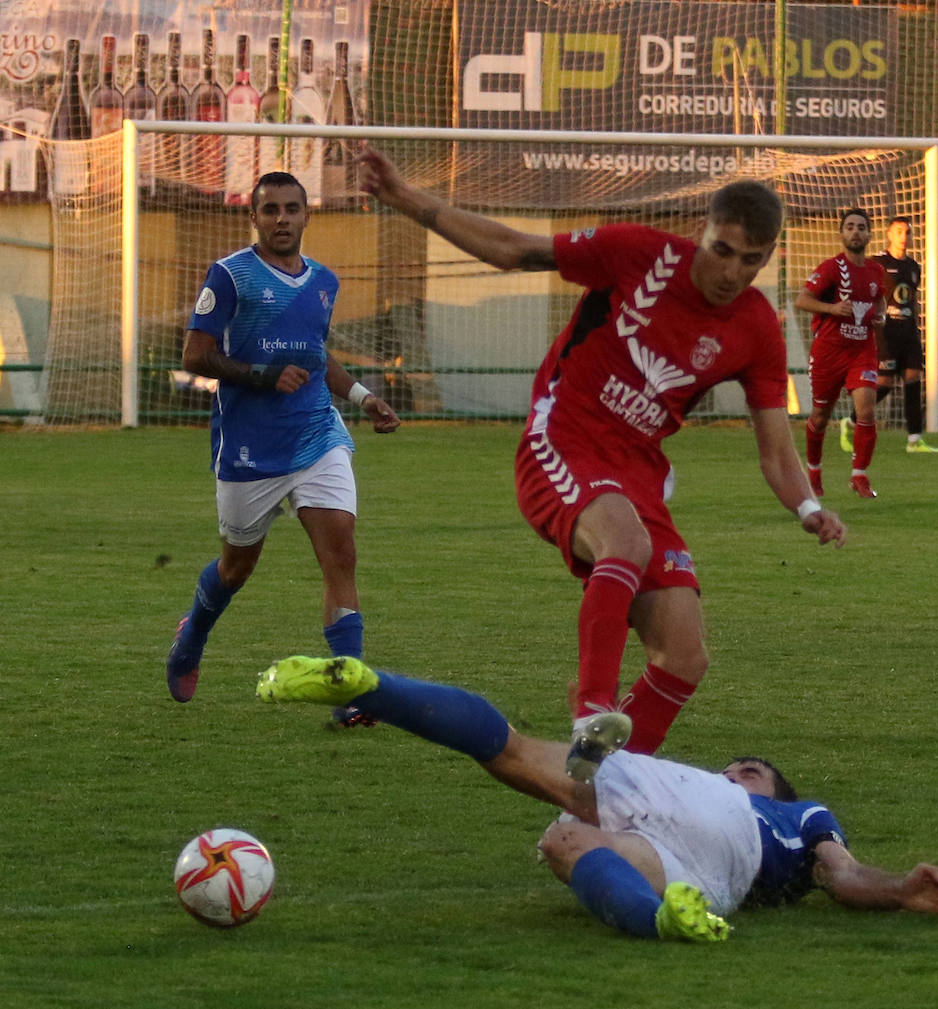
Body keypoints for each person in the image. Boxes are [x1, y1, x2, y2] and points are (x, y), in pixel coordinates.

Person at [356, 147, 846, 777]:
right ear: (704, 230)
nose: (733, 271)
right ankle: (592, 709)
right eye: (723, 250)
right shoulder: (638, 253)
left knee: (684, 655)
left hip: (636, 470)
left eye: (752, 260)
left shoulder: (755, 326)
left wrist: (807, 506)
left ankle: (602, 783)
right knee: (626, 541)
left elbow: (776, 449)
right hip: (561, 438)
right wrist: (406, 197)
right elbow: (515, 248)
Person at [256, 654, 938, 942]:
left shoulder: (800, 812)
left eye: (751, 768)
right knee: (564, 839)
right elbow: (844, 875)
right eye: (736, 765)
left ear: (775, 790)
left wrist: (899, 887)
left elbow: (843, 873)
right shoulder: (782, 815)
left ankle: (375, 687)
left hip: (706, 833)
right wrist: (901, 890)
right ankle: (661, 920)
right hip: (705, 870)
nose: (739, 767)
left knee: (515, 756)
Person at [164, 172, 401, 704]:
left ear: (306, 215)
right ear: (254, 217)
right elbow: (194, 357)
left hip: (317, 433)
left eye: (292, 209)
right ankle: (194, 632)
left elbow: (317, 357)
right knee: (236, 567)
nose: (282, 219)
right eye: (270, 210)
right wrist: (262, 375)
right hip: (250, 447)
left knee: (341, 553)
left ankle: (352, 691)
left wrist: (363, 397)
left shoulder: (324, 281)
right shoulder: (230, 276)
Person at [794, 209, 888, 499]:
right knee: (821, 417)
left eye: (861, 227)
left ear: (870, 234)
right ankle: (813, 472)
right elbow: (802, 300)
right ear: (842, 234)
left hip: (862, 350)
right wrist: (832, 309)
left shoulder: (875, 270)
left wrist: (881, 316)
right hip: (829, 353)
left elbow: (880, 300)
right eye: (850, 227)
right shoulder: (831, 268)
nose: (856, 231)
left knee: (867, 410)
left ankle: (859, 475)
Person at [850, 215, 938, 455]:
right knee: (885, 382)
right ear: (889, 234)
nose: (904, 236)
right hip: (886, 331)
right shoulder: (877, 263)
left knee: (913, 379)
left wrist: (914, 323)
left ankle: (914, 439)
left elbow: (911, 298)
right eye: (899, 231)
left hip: (909, 331)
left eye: (908, 232)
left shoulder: (913, 266)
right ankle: (851, 420)